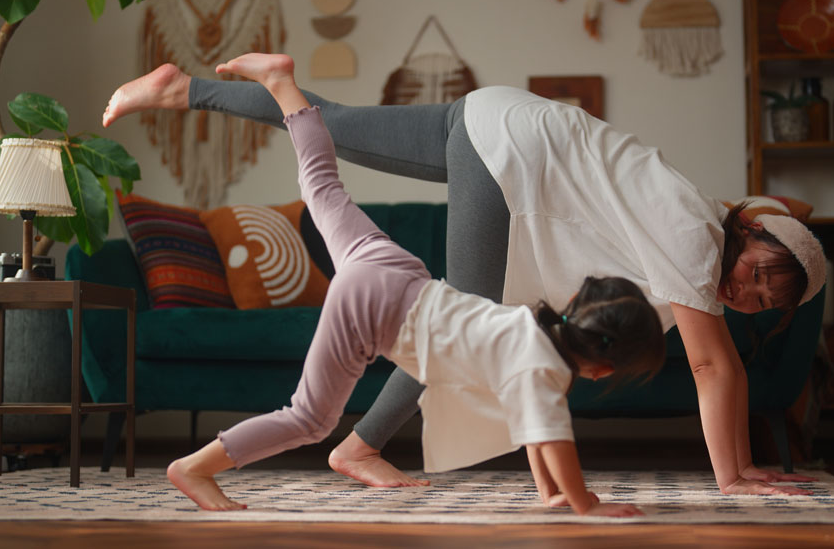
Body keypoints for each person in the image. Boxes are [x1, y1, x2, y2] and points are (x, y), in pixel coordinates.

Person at [103, 61, 825, 496]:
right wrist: (733, 476)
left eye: (764, 302)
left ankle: (182, 89)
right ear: (751, 232)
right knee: (463, 321)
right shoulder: (700, 237)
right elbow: (711, 364)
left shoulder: (701, 223)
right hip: (508, 152)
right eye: (758, 273)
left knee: (334, 124)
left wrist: (741, 463)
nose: (746, 294)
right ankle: (359, 445)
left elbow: (723, 355)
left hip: (493, 115)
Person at [152, 52, 666, 516]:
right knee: (309, 420)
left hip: (394, 271)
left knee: (322, 187)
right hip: (375, 305)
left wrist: (552, 494)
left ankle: (282, 84)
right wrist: (584, 505)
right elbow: (553, 439)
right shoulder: (543, 367)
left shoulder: (531, 329)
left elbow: (536, 433)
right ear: (603, 368)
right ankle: (194, 467)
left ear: (575, 305)